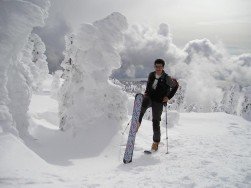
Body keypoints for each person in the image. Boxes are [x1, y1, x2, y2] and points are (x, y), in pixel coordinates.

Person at [138, 59, 179, 151]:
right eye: (157, 66)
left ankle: (156, 142)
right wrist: (146, 93)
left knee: (156, 122)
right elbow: (149, 86)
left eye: (160, 67)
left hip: (159, 101)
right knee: (143, 103)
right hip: (149, 97)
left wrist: (168, 97)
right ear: (155, 67)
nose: (158, 68)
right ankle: (137, 122)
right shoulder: (151, 75)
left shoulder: (166, 78)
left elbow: (175, 86)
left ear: (163, 67)